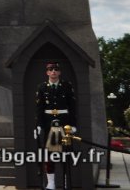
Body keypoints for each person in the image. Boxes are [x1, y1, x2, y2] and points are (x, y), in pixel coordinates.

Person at [34, 61, 76, 190]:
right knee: (50, 154)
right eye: (51, 69)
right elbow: (39, 108)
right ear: (47, 72)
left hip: (64, 123)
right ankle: (50, 182)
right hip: (48, 124)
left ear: (59, 72)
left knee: (65, 153)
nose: (53, 71)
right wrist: (39, 125)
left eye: (56, 69)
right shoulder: (42, 87)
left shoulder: (67, 86)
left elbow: (72, 107)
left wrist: (72, 125)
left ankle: (64, 181)